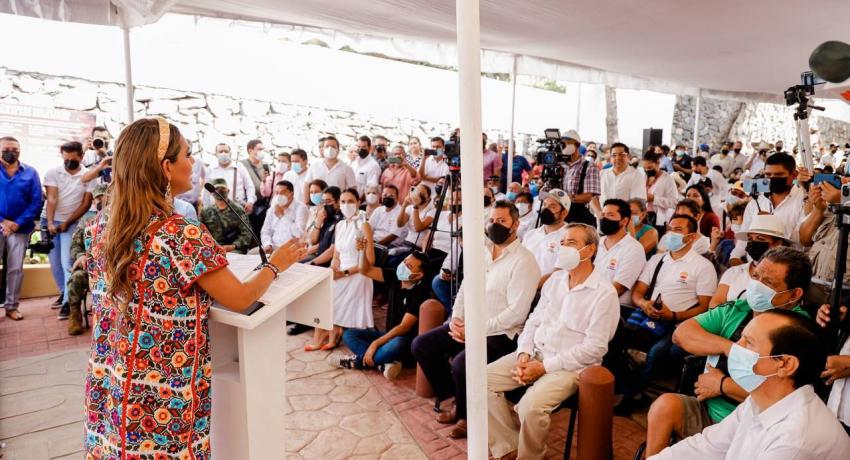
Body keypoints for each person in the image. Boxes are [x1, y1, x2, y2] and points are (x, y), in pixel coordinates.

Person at [83, 117, 307, 459]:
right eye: (187, 155)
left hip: (112, 382)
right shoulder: (180, 234)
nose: (193, 164)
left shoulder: (98, 230)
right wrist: (276, 265)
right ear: (166, 167)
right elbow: (240, 297)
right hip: (161, 395)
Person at [646, 247, 812, 456]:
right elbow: (682, 334)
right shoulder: (737, 309)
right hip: (708, 410)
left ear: (794, 294)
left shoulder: (799, 332)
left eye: (768, 283)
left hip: (755, 426)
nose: (757, 285)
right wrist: (732, 349)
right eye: (756, 276)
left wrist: (723, 385)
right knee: (665, 406)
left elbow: (783, 400)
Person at [487, 223, 620, 460]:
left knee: (530, 406)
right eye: (562, 243)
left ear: (589, 251)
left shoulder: (604, 293)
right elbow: (534, 320)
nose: (563, 247)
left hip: (569, 368)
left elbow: (595, 348)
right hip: (536, 354)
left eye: (571, 243)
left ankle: (530, 457)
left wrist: (543, 368)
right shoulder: (555, 280)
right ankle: (509, 446)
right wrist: (524, 354)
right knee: (480, 381)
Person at [412, 201, 541, 439]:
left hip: (502, 333)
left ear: (516, 224)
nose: (495, 225)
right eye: (492, 220)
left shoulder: (524, 261)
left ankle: (466, 416)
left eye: (502, 221)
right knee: (422, 345)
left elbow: (516, 313)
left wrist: (475, 330)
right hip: (470, 325)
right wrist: (456, 319)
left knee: (463, 363)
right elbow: (466, 286)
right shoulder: (483, 250)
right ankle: (454, 398)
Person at [650, 310, 850, 460]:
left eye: (749, 343)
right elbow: (707, 446)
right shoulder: (760, 401)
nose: (736, 348)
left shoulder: (795, 441)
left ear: (785, 364)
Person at [620, 214, 718, 413]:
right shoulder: (657, 260)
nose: (671, 233)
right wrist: (645, 304)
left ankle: (633, 395)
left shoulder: (703, 266)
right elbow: (638, 292)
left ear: (691, 237)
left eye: (678, 230)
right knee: (617, 339)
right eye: (670, 228)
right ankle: (620, 385)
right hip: (648, 317)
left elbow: (704, 307)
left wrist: (673, 316)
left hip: (677, 325)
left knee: (656, 353)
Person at [336, 247, 431, 380]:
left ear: (419, 275)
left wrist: (375, 344)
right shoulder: (394, 277)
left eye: (408, 266)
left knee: (397, 343)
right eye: (404, 261)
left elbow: (404, 327)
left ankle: (358, 362)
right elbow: (365, 270)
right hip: (387, 336)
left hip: (403, 343)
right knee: (349, 334)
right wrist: (363, 250)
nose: (403, 266)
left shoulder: (421, 294)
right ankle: (382, 364)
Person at [306, 188, 373, 351]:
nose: (346, 205)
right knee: (322, 292)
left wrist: (343, 273)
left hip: (357, 272)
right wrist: (332, 270)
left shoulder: (364, 226)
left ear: (358, 202)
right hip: (339, 271)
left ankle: (331, 334)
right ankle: (324, 334)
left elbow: (370, 261)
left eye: (350, 201)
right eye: (343, 202)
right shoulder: (340, 225)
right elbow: (336, 255)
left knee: (330, 297)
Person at [730, 152, 805, 264]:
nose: (772, 179)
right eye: (768, 175)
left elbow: (802, 240)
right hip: (754, 268)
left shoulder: (803, 200)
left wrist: (771, 225)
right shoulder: (756, 202)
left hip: (787, 267)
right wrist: (735, 258)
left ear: (793, 175)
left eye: (778, 175)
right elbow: (745, 236)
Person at [44, 141, 93, 311]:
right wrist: (50, 222)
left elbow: (86, 203)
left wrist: (66, 223)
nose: (69, 164)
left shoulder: (88, 175)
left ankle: (68, 303)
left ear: (81, 156)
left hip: (71, 221)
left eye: (73, 160)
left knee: (67, 261)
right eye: (66, 160)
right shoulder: (53, 172)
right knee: (55, 263)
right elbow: (51, 198)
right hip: (49, 219)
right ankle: (65, 292)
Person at [0, 136, 43, 321]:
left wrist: (16, 223)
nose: (11, 152)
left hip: (20, 228)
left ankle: (11, 306)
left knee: (15, 269)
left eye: (15, 149)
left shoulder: (30, 172)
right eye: (6, 149)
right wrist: (3, 221)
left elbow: (36, 201)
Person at [710, 215, 788, 307]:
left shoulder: (784, 276)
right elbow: (715, 304)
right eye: (750, 239)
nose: (753, 243)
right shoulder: (734, 272)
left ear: (778, 243)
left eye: (760, 239)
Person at [62, 184, 107, 332]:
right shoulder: (87, 220)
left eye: (103, 197)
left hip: (110, 268)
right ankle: (74, 314)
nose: (100, 201)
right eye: (97, 198)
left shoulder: (120, 217)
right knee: (76, 277)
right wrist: (80, 256)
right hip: (90, 266)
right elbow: (75, 245)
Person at [596, 199, 647, 308]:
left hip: (617, 306)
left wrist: (590, 302)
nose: (604, 219)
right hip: (590, 301)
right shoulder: (596, 243)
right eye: (603, 215)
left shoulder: (634, 249)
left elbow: (618, 288)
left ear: (624, 221)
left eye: (611, 215)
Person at [521, 189, 570, 286]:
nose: (546, 209)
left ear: (564, 213)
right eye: (545, 205)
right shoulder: (530, 235)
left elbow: (560, 271)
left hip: (549, 293)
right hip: (523, 287)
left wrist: (533, 286)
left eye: (552, 206)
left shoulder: (569, 237)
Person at [200, 178, 253, 253]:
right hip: (213, 250)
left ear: (228, 190)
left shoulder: (238, 210)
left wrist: (233, 246)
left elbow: (247, 233)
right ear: (210, 193)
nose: (219, 191)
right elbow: (201, 233)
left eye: (222, 188)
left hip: (234, 250)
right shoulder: (205, 211)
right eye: (216, 189)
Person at [561, 130, 600, 226]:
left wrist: (569, 198)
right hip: (557, 211)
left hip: (576, 214)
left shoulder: (589, 167)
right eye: (562, 144)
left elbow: (588, 196)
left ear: (577, 145)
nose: (564, 146)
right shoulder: (559, 165)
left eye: (567, 143)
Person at [258, 180, 308, 253]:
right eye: (277, 193)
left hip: (291, 249)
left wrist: (282, 216)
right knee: (251, 254)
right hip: (273, 247)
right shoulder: (272, 209)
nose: (279, 196)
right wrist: (268, 244)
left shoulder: (301, 208)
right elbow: (265, 231)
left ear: (291, 194)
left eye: (282, 193)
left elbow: (299, 234)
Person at [203, 142, 256, 208]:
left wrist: (250, 201)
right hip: (216, 210)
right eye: (220, 151)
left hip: (237, 209)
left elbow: (249, 186)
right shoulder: (210, 169)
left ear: (230, 153)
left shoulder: (239, 167)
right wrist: (206, 209)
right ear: (216, 154)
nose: (223, 153)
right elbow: (206, 193)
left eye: (226, 151)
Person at [304, 185, 343, 266]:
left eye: (328, 201)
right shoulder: (327, 217)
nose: (325, 205)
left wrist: (310, 263)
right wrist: (318, 222)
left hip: (327, 261)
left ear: (338, 202)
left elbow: (330, 251)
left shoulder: (341, 221)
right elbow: (313, 241)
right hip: (317, 255)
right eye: (323, 201)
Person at [643, 151, 679, 234]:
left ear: (658, 163)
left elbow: (674, 203)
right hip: (642, 216)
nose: (647, 170)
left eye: (650, 167)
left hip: (658, 219)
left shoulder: (667, 179)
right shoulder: (643, 176)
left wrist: (654, 199)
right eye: (645, 168)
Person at [241, 139, 270, 236]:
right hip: (248, 204)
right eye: (259, 149)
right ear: (250, 150)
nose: (262, 152)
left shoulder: (265, 166)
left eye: (263, 149)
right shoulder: (242, 165)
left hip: (263, 205)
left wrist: (265, 180)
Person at [396, 183, 435, 252]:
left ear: (428, 198)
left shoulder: (432, 211)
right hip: (406, 243)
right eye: (417, 192)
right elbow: (400, 224)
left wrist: (415, 206)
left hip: (418, 248)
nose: (419, 195)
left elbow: (418, 228)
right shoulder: (409, 208)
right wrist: (404, 205)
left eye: (422, 194)